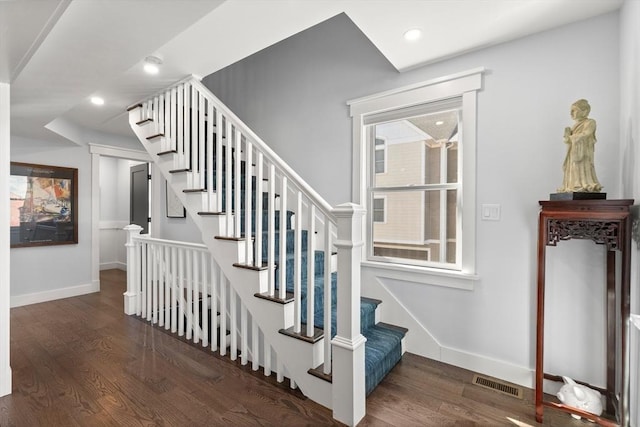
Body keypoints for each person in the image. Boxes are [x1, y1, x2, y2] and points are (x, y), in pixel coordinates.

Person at [557, 99, 602, 193]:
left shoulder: (590, 122)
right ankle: (572, 184)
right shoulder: (574, 126)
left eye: (574, 110)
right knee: (573, 168)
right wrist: (567, 136)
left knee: (582, 168)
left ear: (584, 111)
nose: (571, 113)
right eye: (571, 110)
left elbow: (586, 134)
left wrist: (572, 137)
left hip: (583, 153)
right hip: (573, 153)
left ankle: (583, 185)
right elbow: (568, 140)